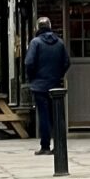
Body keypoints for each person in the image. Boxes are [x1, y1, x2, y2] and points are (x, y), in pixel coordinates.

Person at [24, 16, 70, 155]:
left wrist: (33, 78)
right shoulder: (60, 43)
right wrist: (58, 75)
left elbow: (29, 62)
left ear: (38, 28)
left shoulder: (35, 43)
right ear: (50, 26)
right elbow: (67, 62)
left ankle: (45, 146)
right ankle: (59, 145)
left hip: (39, 85)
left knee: (43, 116)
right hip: (55, 84)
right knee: (56, 116)